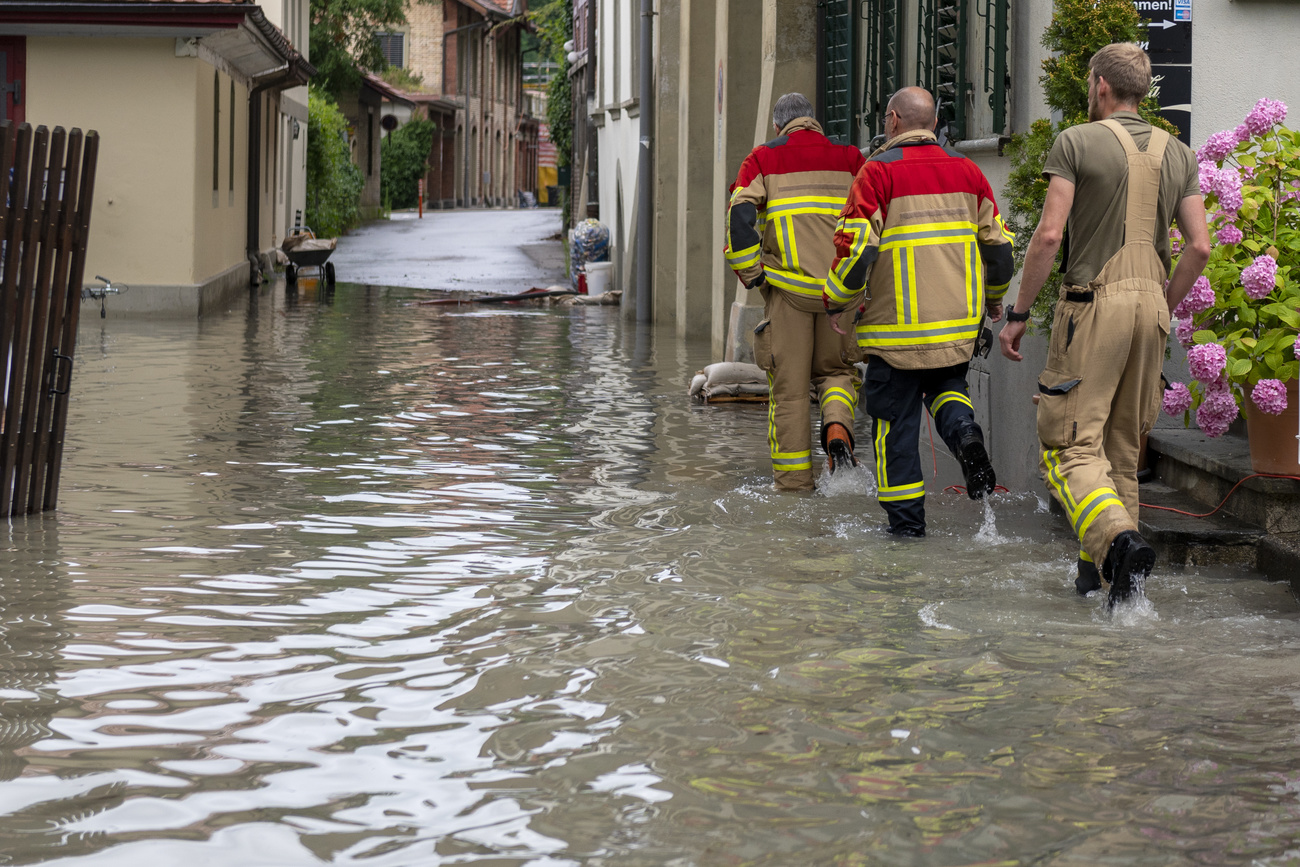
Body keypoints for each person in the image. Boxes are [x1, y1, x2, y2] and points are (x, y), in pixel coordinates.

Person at [998, 43, 1210, 605]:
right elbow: (1200, 246)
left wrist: (1018, 314)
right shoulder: (1180, 153)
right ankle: (1112, 585)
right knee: (1122, 448)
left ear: (1099, 86)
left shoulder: (1076, 141)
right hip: (1153, 309)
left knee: (1070, 445)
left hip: (1092, 307)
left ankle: (1117, 543)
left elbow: (1047, 236)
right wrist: (1164, 298)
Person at [824, 87, 1015, 537]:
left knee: (894, 427)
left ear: (893, 120)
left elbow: (856, 251)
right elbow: (1001, 248)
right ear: (932, 124)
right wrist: (994, 298)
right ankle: (966, 433)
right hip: (955, 329)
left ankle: (907, 530)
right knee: (948, 390)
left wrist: (838, 300)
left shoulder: (876, 174)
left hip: (896, 336)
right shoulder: (969, 171)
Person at [725, 93, 867, 491]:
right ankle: (837, 429)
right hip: (841, 295)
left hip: (788, 293)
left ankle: (793, 489)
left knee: (788, 392)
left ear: (777, 127)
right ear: (813, 121)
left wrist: (753, 273)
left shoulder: (763, 159)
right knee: (838, 373)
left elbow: (739, 216)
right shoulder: (852, 158)